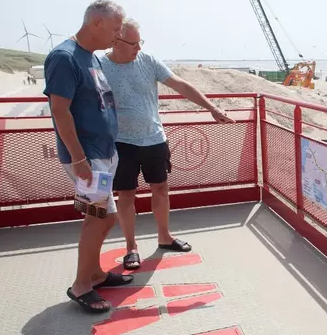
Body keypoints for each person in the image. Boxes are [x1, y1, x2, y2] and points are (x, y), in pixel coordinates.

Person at [99, 18, 233, 270]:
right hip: (121, 142)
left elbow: (180, 85)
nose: (138, 48)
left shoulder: (148, 60)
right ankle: (131, 247)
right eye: (133, 43)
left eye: (140, 42)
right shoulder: (101, 65)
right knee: (126, 195)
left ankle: (164, 237)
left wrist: (211, 107)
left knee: (160, 188)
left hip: (154, 138)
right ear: (116, 41)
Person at [44, 0, 133, 314]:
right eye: (115, 27)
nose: (118, 35)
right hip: (88, 157)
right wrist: (80, 159)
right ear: (97, 23)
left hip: (103, 153)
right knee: (101, 217)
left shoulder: (89, 57)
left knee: (99, 216)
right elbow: (59, 110)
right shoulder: (64, 58)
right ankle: (82, 285)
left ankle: (94, 273)